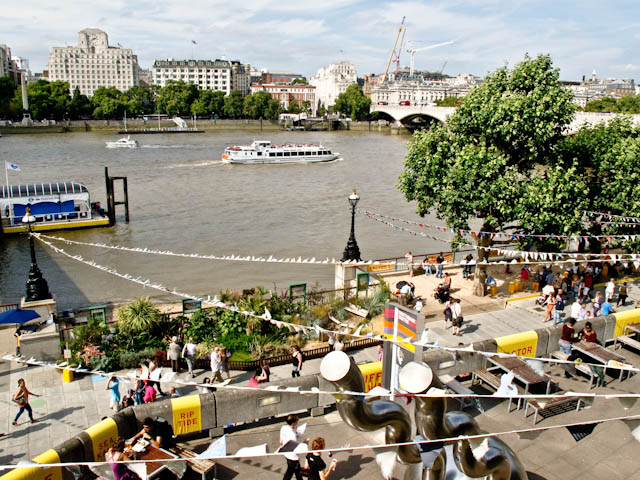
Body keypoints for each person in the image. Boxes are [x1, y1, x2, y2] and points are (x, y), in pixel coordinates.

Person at [280, 414, 302, 480]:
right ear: (293, 423)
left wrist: (296, 433)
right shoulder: (292, 435)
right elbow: (295, 448)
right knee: (290, 472)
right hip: (293, 457)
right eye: (297, 421)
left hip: (286, 453)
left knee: (297, 472)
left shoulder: (283, 428)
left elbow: (281, 441)